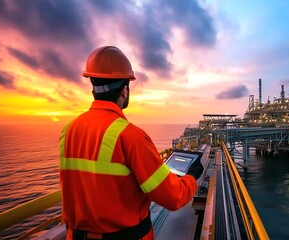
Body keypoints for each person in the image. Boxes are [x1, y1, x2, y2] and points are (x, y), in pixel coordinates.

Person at [59, 46, 203, 240]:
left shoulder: (68, 131)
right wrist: (192, 177)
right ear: (125, 90)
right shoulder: (131, 137)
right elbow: (172, 197)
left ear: (93, 86)